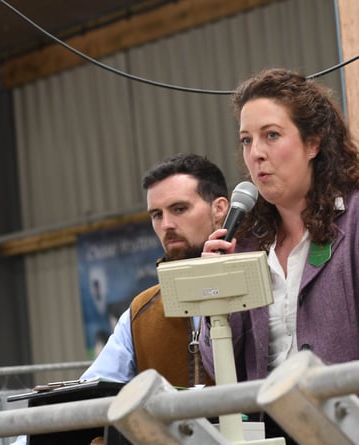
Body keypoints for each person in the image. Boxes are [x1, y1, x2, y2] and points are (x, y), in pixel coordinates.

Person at [200, 68, 359, 445]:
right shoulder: (244, 240)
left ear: (313, 143)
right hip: (269, 436)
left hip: (354, 429)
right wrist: (215, 296)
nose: (256, 154)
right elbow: (219, 367)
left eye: (272, 135)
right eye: (246, 140)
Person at [12, 153, 229, 445]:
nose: (166, 225)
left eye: (179, 209)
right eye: (157, 214)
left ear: (219, 209)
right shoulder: (142, 311)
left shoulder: (259, 288)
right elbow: (87, 397)